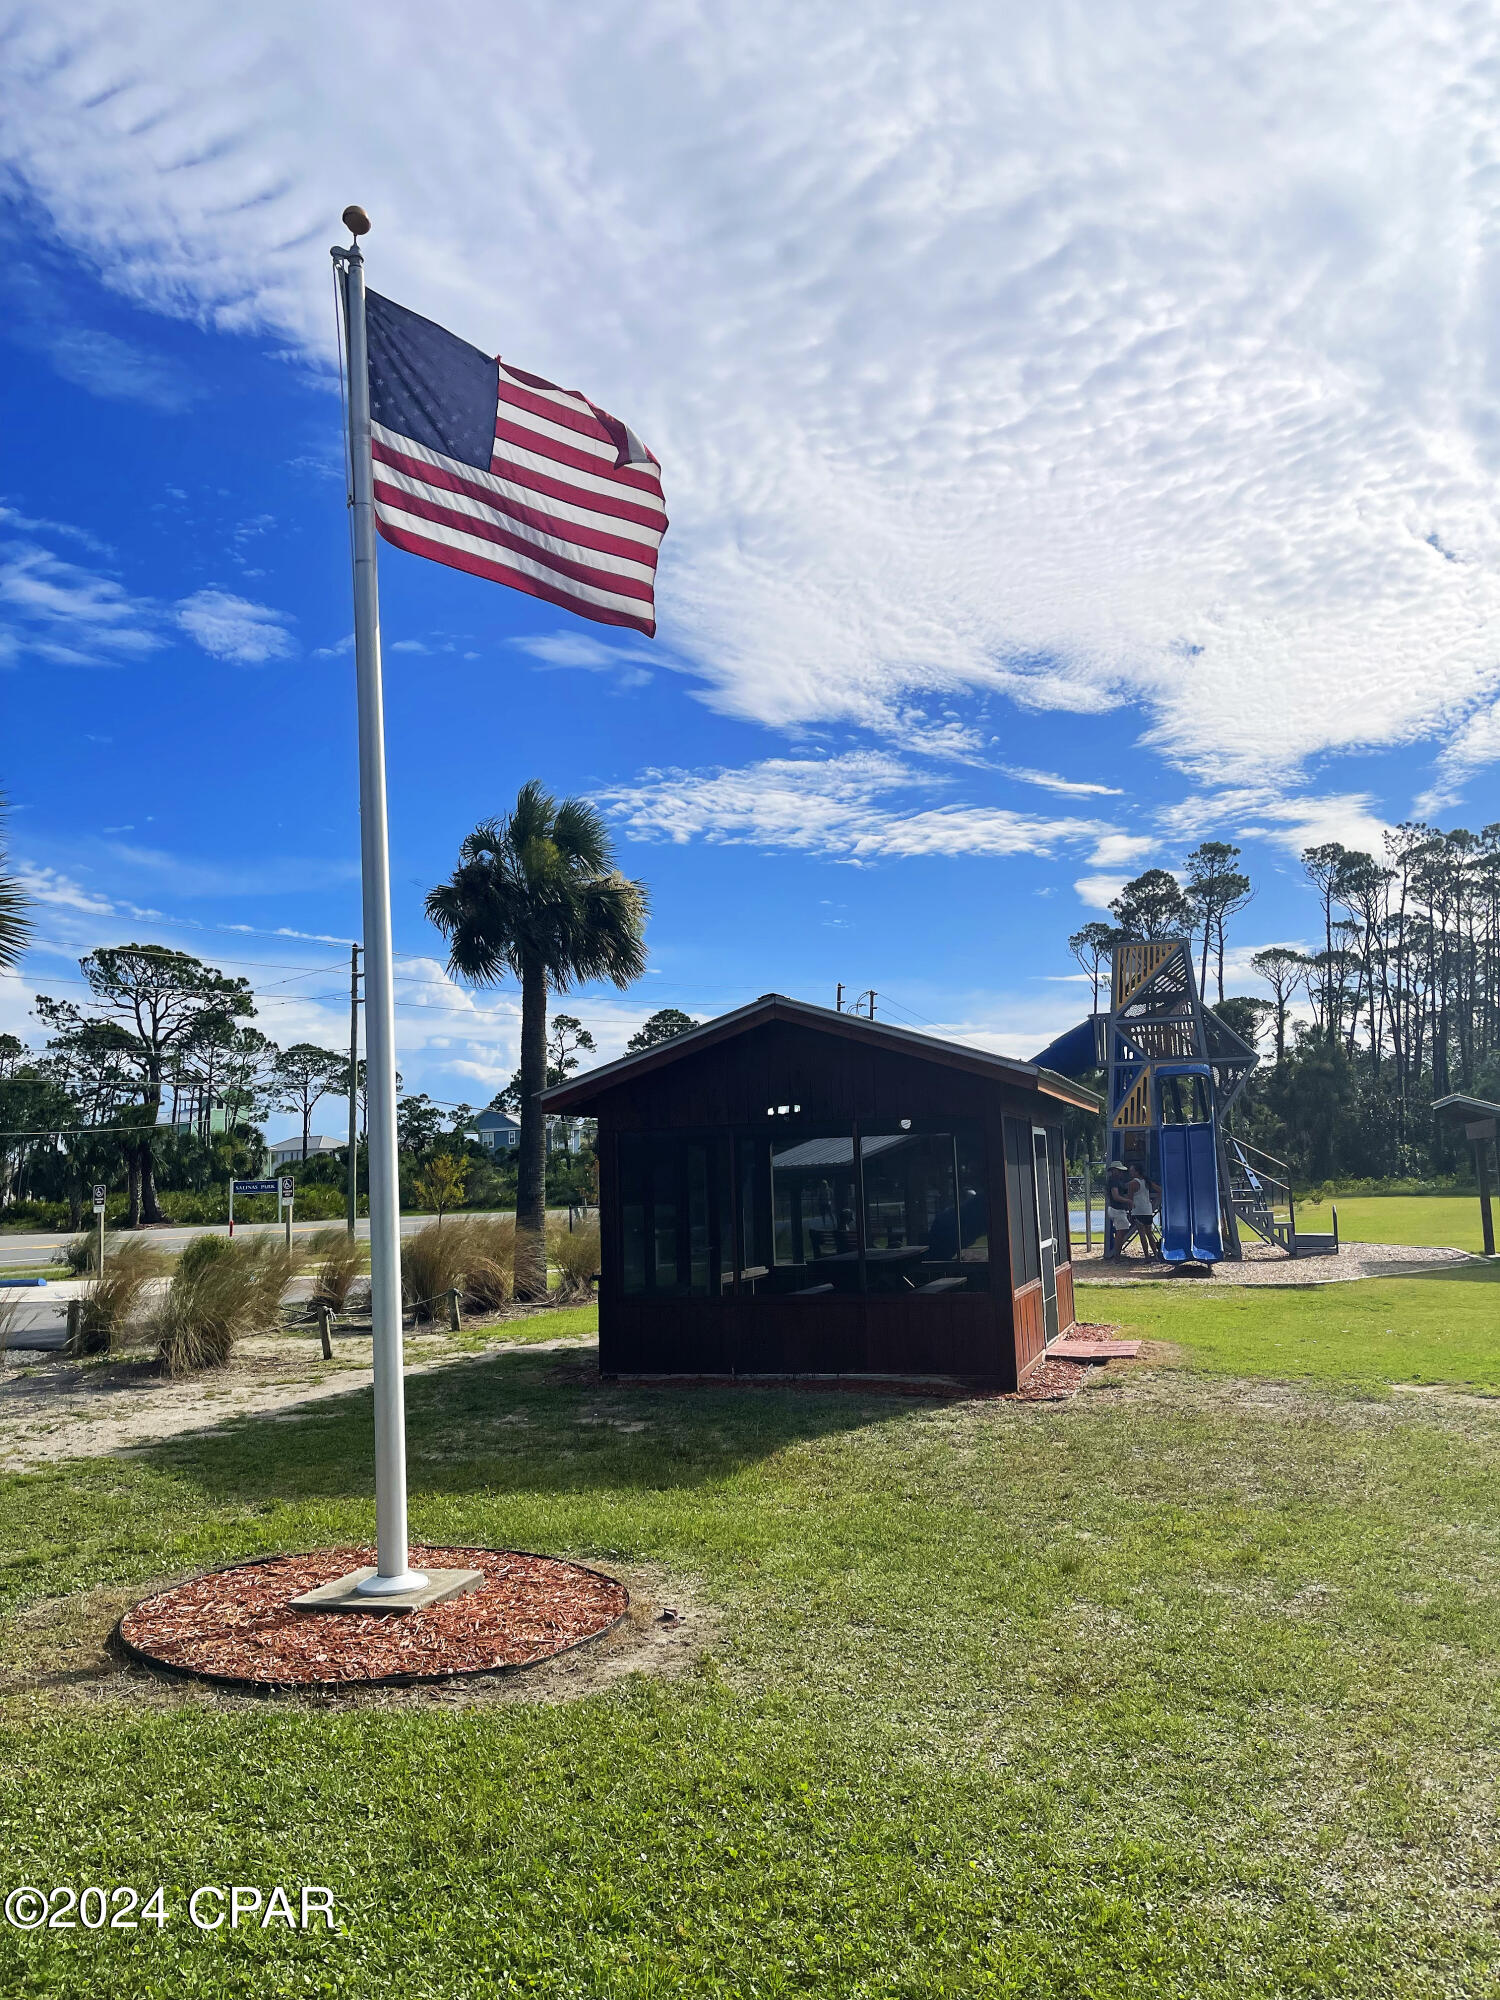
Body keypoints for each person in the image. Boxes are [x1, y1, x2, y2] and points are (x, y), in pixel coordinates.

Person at [1126, 1162, 1161, 1258]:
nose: (1130, 1173)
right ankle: (1156, 1255)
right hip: (1147, 1210)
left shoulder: (1132, 1183)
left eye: (1132, 1171)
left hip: (1138, 1210)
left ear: (1137, 1172)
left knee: (1142, 1234)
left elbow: (1130, 1199)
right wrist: (1154, 1203)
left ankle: (1147, 1256)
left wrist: (1129, 1212)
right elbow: (1160, 1190)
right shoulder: (1147, 1181)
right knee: (1149, 1233)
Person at [1105, 1159, 1134, 1257]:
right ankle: (1116, 1256)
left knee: (1121, 1232)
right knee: (1120, 1234)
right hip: (1117, 1209)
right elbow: (1116, 1196)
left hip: (1117, 1209)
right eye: (1119, 1170)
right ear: (1114, 1170)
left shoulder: (1117, 1181)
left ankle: (1117, 1254)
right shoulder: (1113, 1181)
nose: (1121, 1172)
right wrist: (1128, 1201)